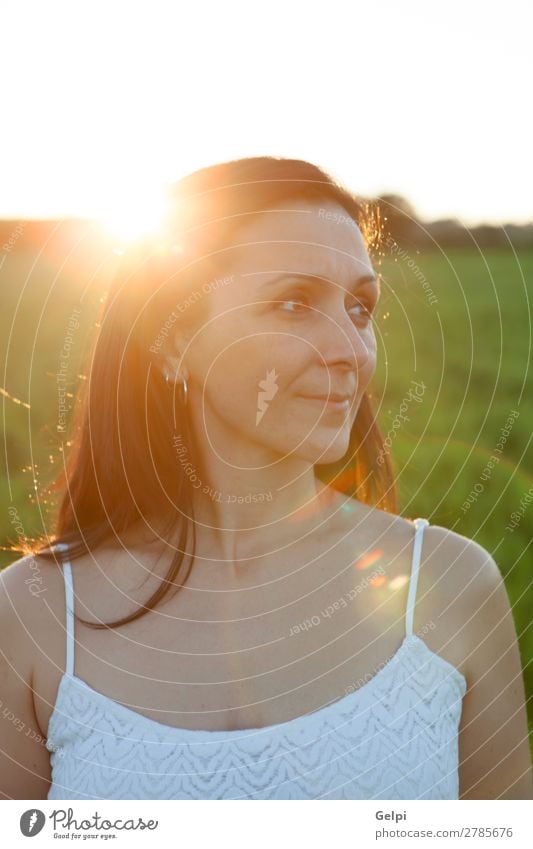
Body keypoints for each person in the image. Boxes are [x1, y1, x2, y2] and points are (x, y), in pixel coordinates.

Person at [0, 157, 531, 800]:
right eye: (292, 303)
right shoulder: (30, 616)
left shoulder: (450, 585)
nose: (349, 349)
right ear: (172, 342)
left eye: (360, 308)